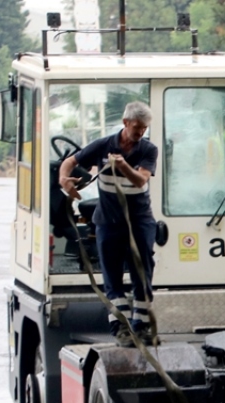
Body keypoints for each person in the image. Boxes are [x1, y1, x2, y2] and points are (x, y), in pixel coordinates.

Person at [59, 101, 159, 347]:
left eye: (144, 128)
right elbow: (69, 162)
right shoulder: (103, 145)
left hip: (140, 222)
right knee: (112, 278)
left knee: (142, 273)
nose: (140, 133)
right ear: (125, 123)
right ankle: (121, 328)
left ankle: (142, 327)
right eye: (137, 127)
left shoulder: (149, 150)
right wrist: (64, 180)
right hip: (108, 223)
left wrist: (124, 166)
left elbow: (139, 182)